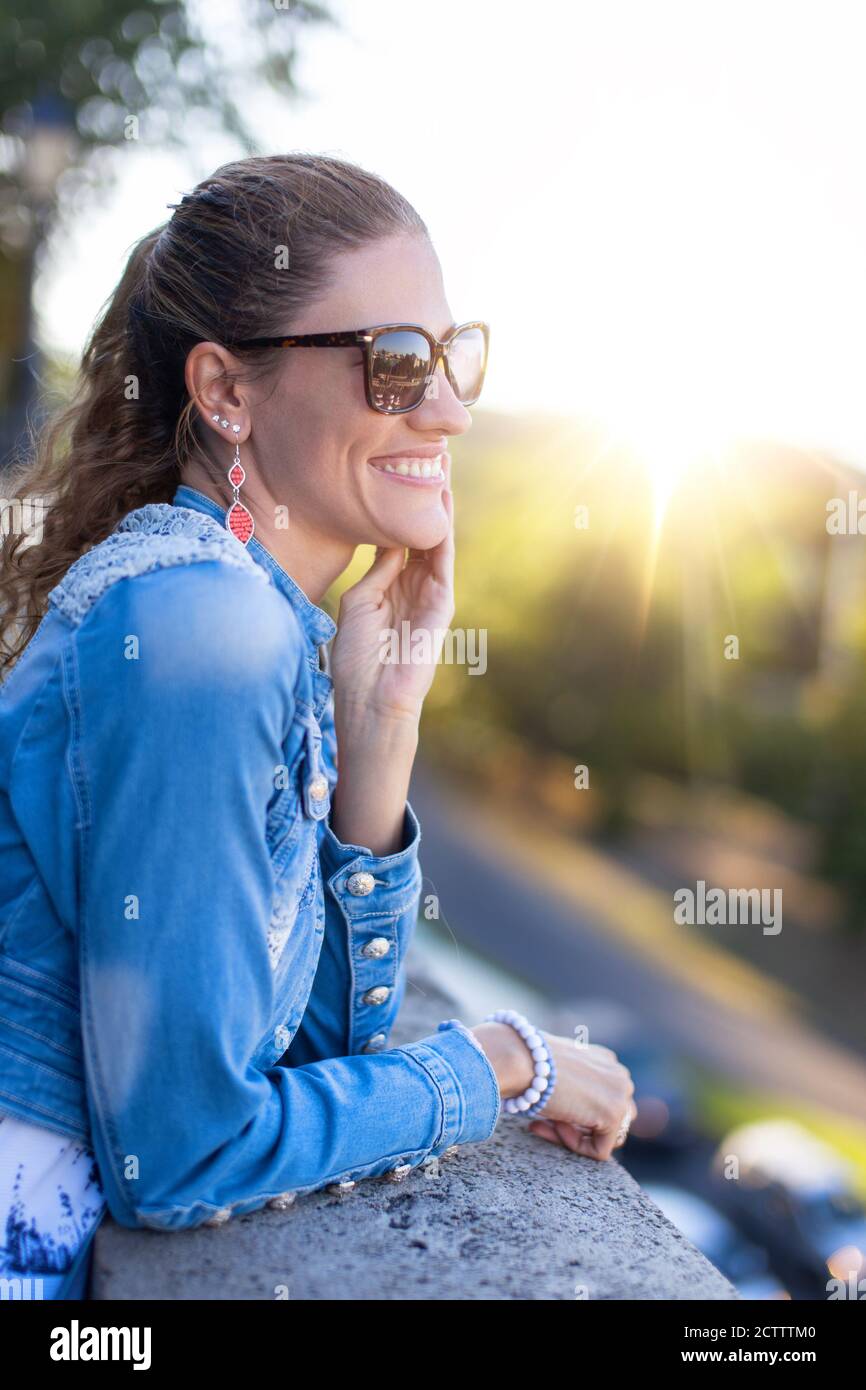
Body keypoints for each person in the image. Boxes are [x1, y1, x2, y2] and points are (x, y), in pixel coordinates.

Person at [0, 154, 635, 1300]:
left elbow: (307, 1053)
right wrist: (499, 1063)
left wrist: (380, 721)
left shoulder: (248, 623)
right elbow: (187, 1149)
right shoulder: (197, 627)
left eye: (455, 356)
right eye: (394, 364)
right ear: (226, 391)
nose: (448, 407)